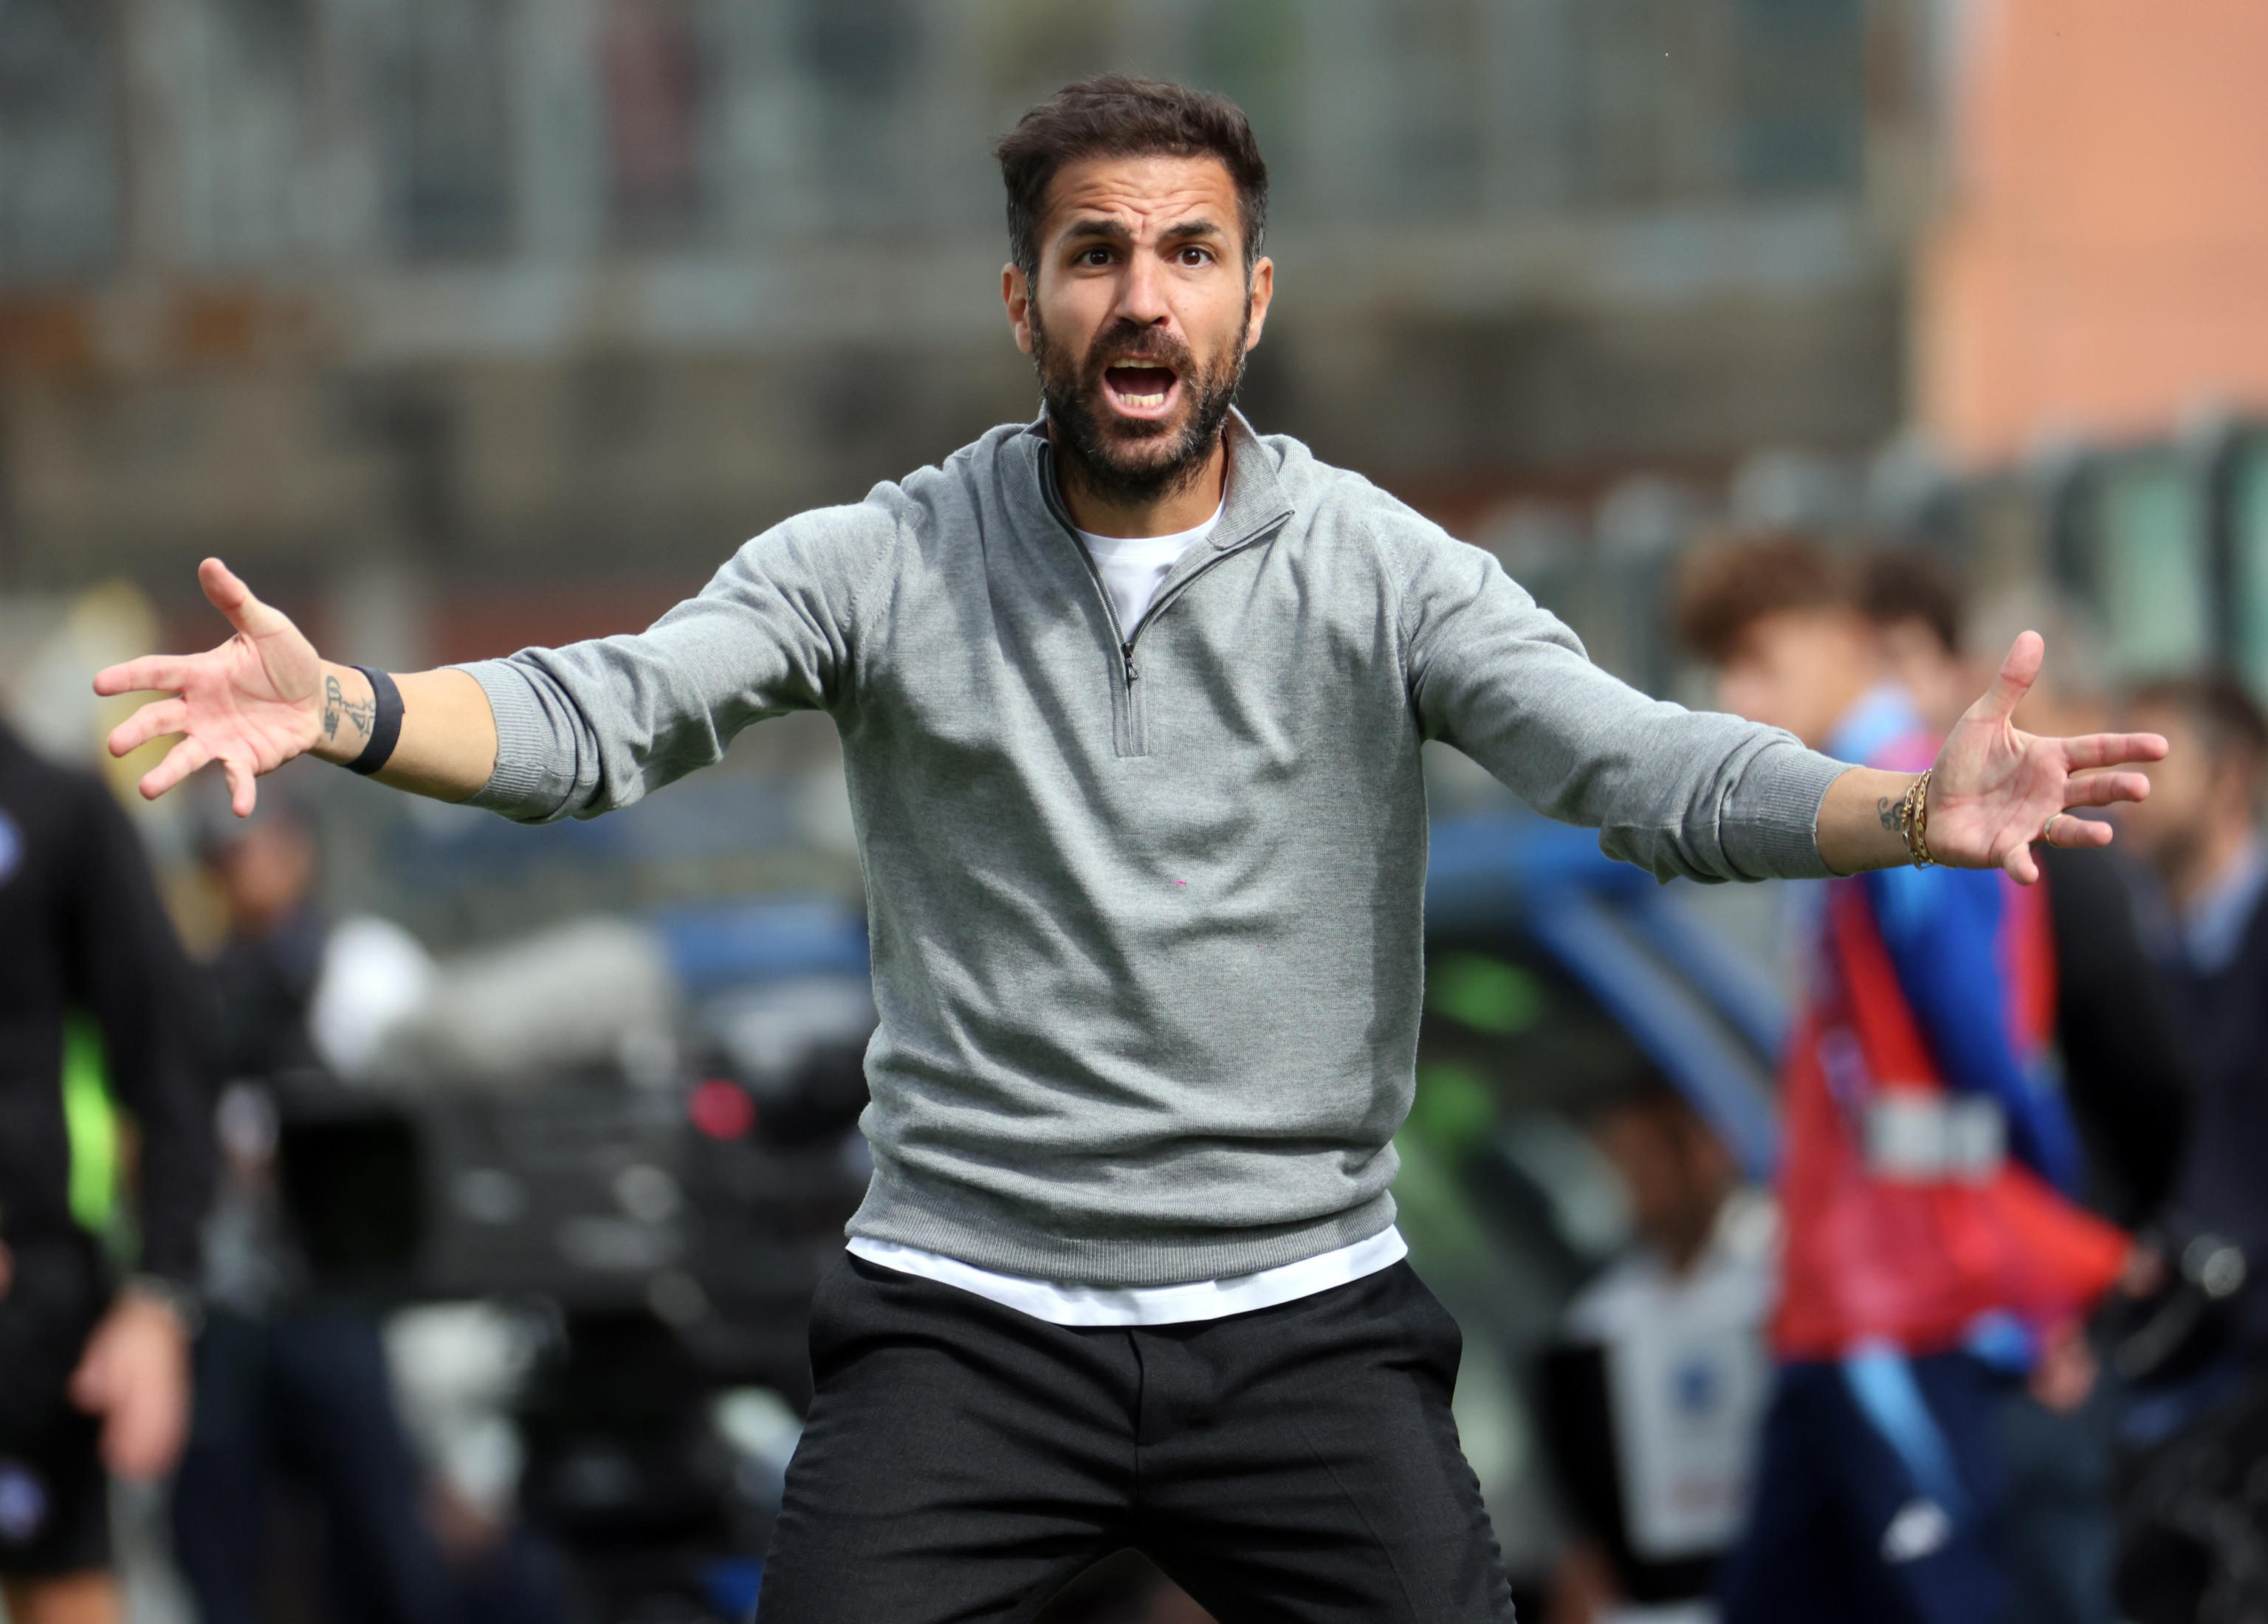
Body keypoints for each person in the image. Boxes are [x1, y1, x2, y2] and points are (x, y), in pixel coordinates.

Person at [93, 77, 2165, 1624]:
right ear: (1027, 299)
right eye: (1097, 254)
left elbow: (1635, 765)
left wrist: (1909, 810)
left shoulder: (1376, 569)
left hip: (1304, 1320)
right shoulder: (886, 557)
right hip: (964, 1322)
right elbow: (600, 716)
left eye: (1187, 254)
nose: (1142, 294)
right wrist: (348, 705)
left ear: (1253, 300)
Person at [1675, 532, 2136, 1624]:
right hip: (1843, 1296)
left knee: (1951, 1598)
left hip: (1906, 1292)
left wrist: (2045, 1260)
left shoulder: (1913, 801)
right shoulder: (1849, 803)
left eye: (1761, 661)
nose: (1740, 696)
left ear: (1845, 639)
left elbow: (1984, 1052)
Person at [0, 718, 210, 1624]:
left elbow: (168, 1064)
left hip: (36, 1305)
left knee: (64, 1581)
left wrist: (160, 1295)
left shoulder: (57, 807)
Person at [1542, 1086, 1775, 1624]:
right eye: (1622, 1164)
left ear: (1707, 1149)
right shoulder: (1602, 1321)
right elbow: (1593, 1514)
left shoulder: (1783, 1276)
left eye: (1649, 1158)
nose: (1639, 1183)